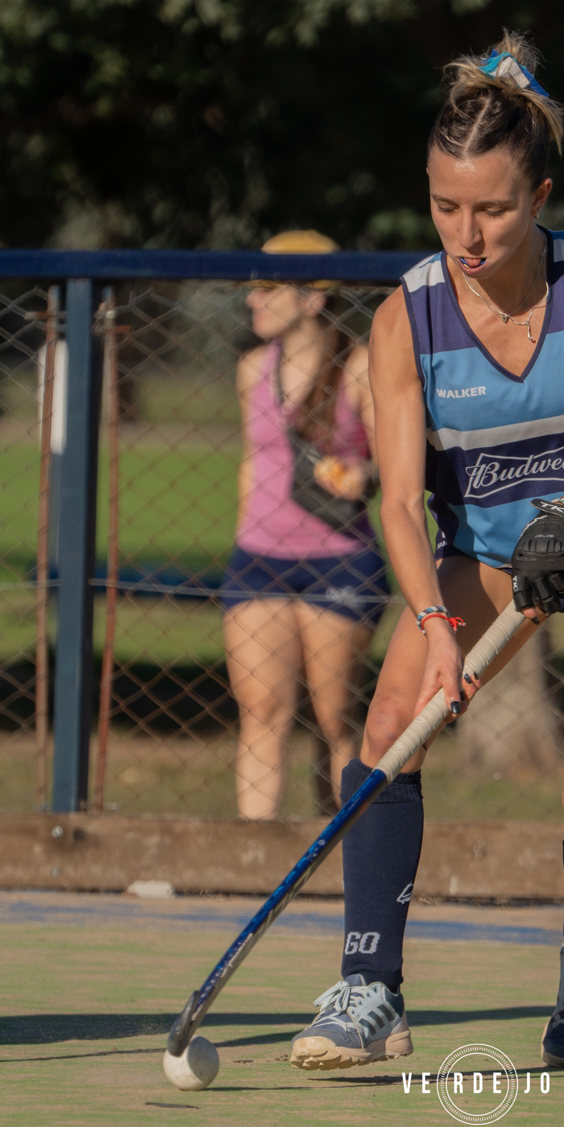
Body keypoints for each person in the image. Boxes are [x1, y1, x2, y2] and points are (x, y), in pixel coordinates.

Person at [288, 34, 564, 1073]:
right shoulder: (405, 320)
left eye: (494, 208)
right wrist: (433, 629)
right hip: (486, 556)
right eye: (444, 205)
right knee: (387, 733)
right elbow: (396, 506)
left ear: (540, 192)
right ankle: (370, 989)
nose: (467, 234)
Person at [221, 230, 386, 819]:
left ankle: (339, 850)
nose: (252, 300)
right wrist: (245, 533)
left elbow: (394, 462)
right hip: (259, 558)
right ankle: (253, 857)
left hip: (339, 559)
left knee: (333, 716)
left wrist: (363, 474)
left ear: (313, 298)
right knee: (261, 711)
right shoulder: (249, 370)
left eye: (268, 288)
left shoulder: (362, 368)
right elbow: (252, 459)